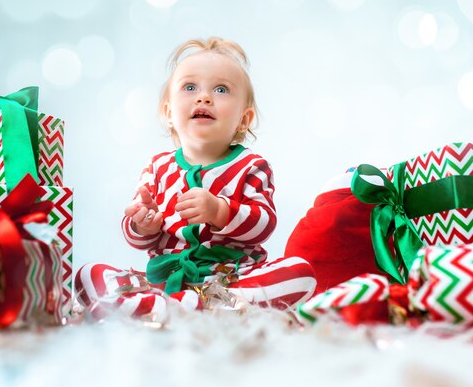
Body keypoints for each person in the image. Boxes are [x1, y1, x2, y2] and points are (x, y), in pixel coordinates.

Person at [76, 37, 316, 320]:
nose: (204, 97)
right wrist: (143, 225)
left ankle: (207, 306)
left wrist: (220, 211)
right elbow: (136, 238)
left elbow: (264, 223)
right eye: (190, 87)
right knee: (88, 274)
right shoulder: (157, 167)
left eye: (221, 89)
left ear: (244, 119)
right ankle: (167, 304)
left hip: (232, 280)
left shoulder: (252, 166)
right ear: (168, 113)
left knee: (302, 273)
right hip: (165, 282)